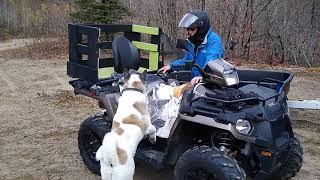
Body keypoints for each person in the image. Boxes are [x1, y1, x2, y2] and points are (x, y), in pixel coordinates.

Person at [158, 10, 224, 85]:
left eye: (192, 29)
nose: (189, 32)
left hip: (209, 83)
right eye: (188, 29)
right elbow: (187, 61)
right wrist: (171, 66)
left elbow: (212, 63)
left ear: (201, 28)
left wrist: (204, 77)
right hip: (194, 81)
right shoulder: (194, 42)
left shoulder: (214, 41)